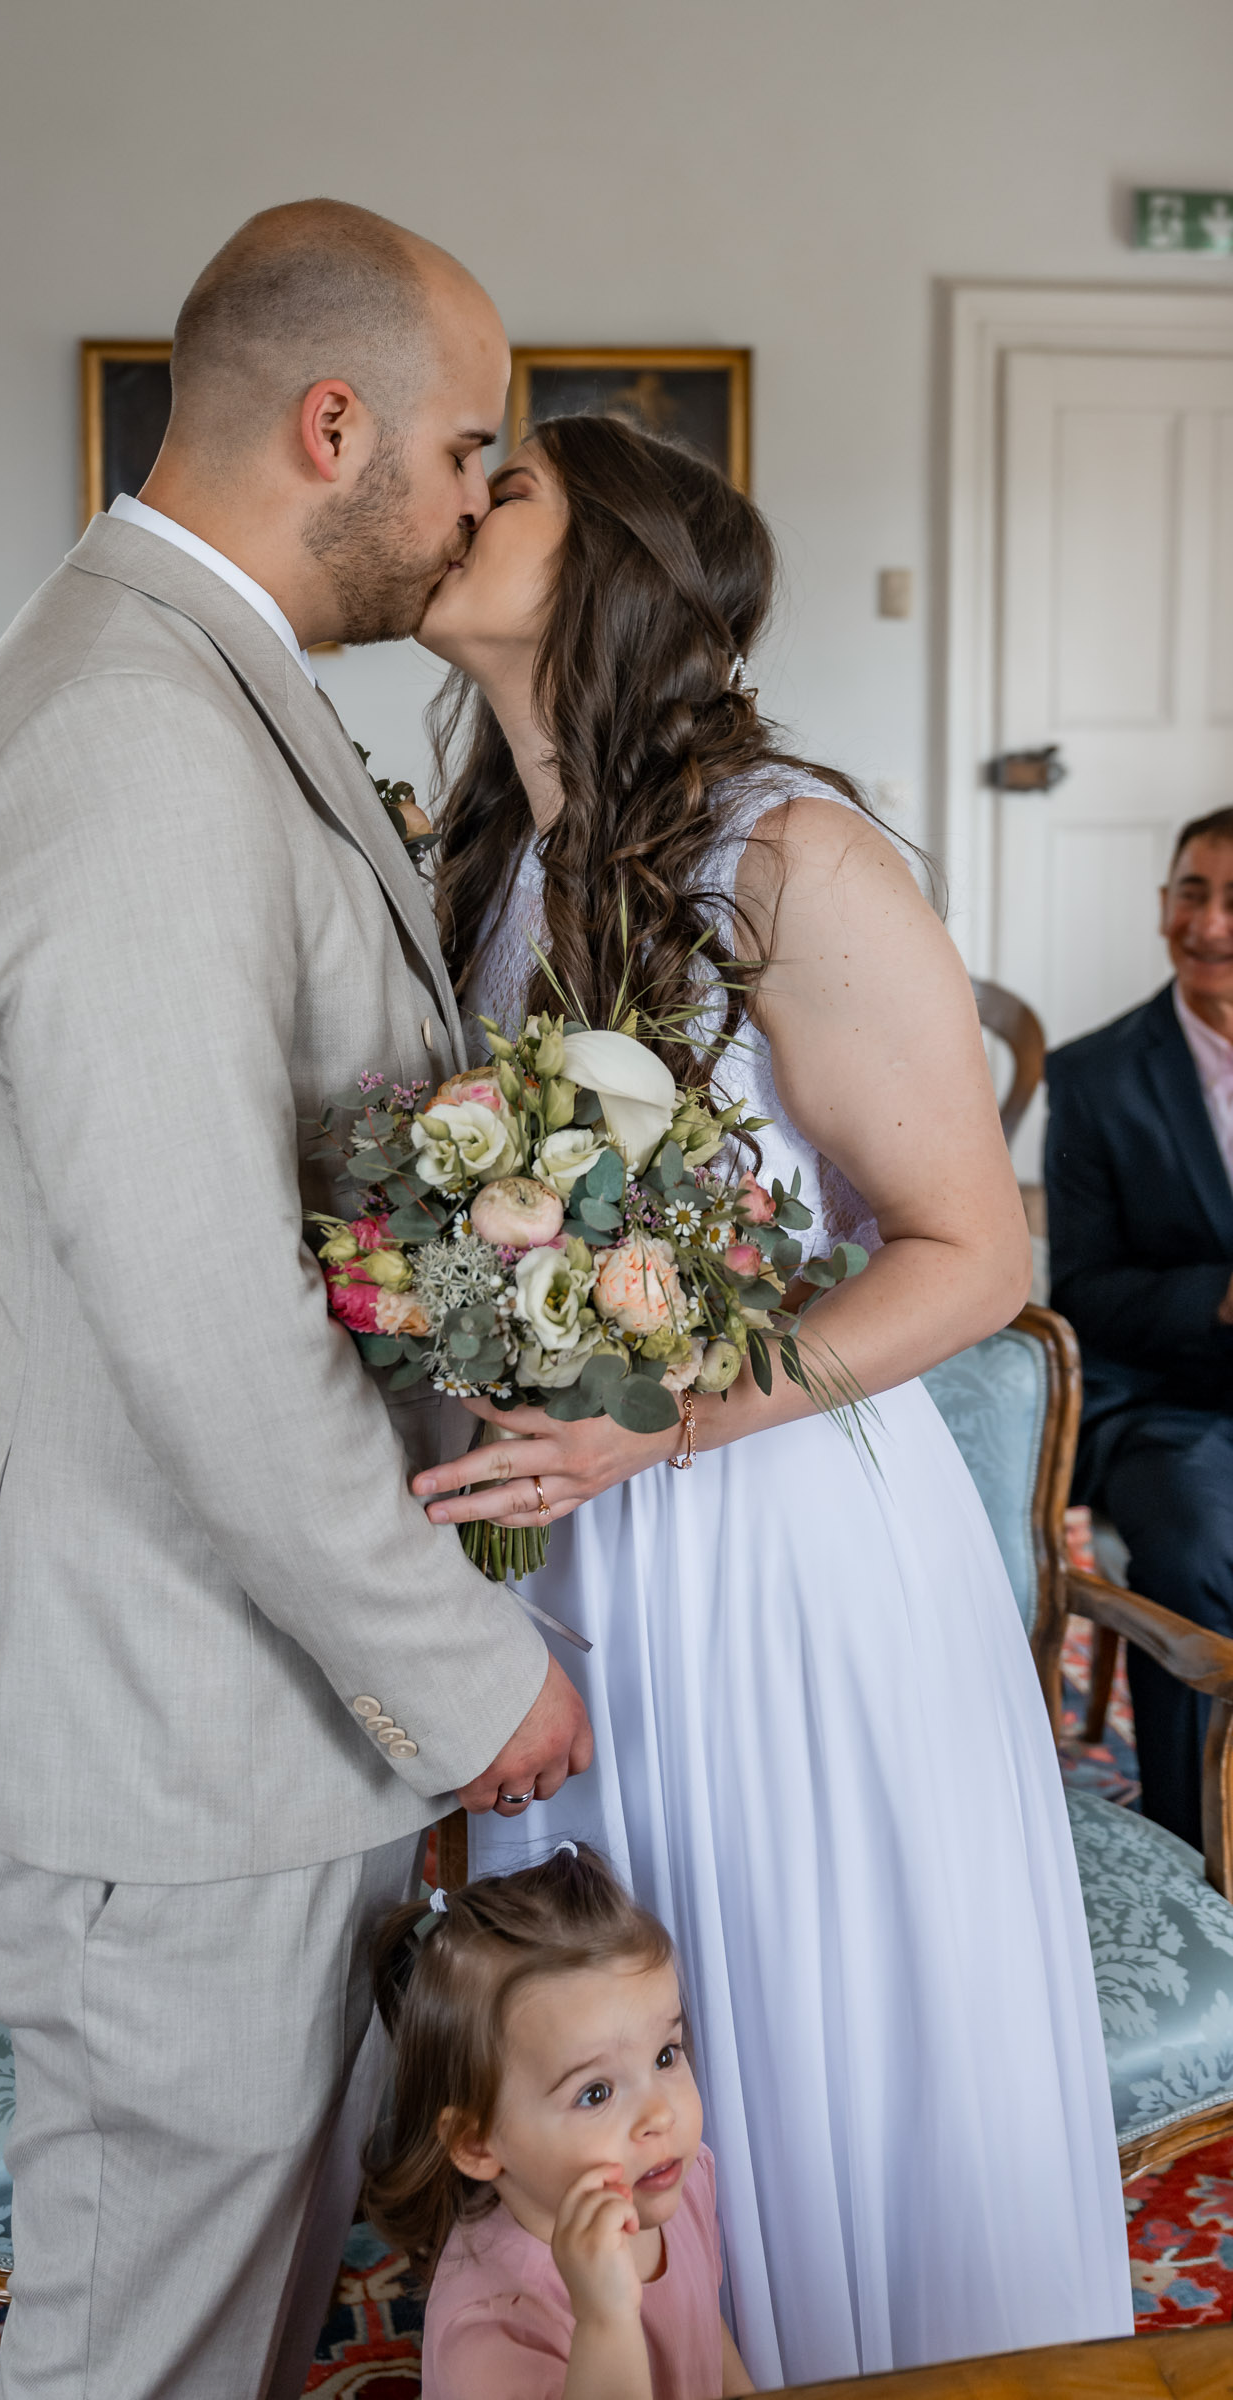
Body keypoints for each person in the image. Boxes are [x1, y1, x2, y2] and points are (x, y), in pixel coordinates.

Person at [0, 200, 591, 2400]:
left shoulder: (187, 676)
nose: (478, 499)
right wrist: (461, 1671)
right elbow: (204, 1309)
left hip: (235, 1706)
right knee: (146, 2360)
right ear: (334, 427)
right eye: (467, 449)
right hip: (168, 1721)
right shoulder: (131, 732)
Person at [408, 415, 1133, 2384]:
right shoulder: (494, 861)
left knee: (801, 2016)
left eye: (507, 483)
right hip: (578, 1553)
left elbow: (971, 1253)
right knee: (607, 2038)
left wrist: (668, 1421)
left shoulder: (788, 853)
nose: (457, 500)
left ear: (614, 567)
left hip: (778, 1549)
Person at [365, 1842, 752, 2400]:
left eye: (665, 2056)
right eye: (595, 2093)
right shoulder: (492, 2326)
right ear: (476, 2142)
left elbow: (706, 2337)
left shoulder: (676, 2182)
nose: (660, 2114)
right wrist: (605, 2322)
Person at [1046, 809, 1233, 1846]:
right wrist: (1218, 1298)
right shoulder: (1096, 1076)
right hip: (1167, 1406)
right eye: (1191, 893)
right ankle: (1193, 1838)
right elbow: (1084, 1290)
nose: (1207, 925)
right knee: (1196, 1544)